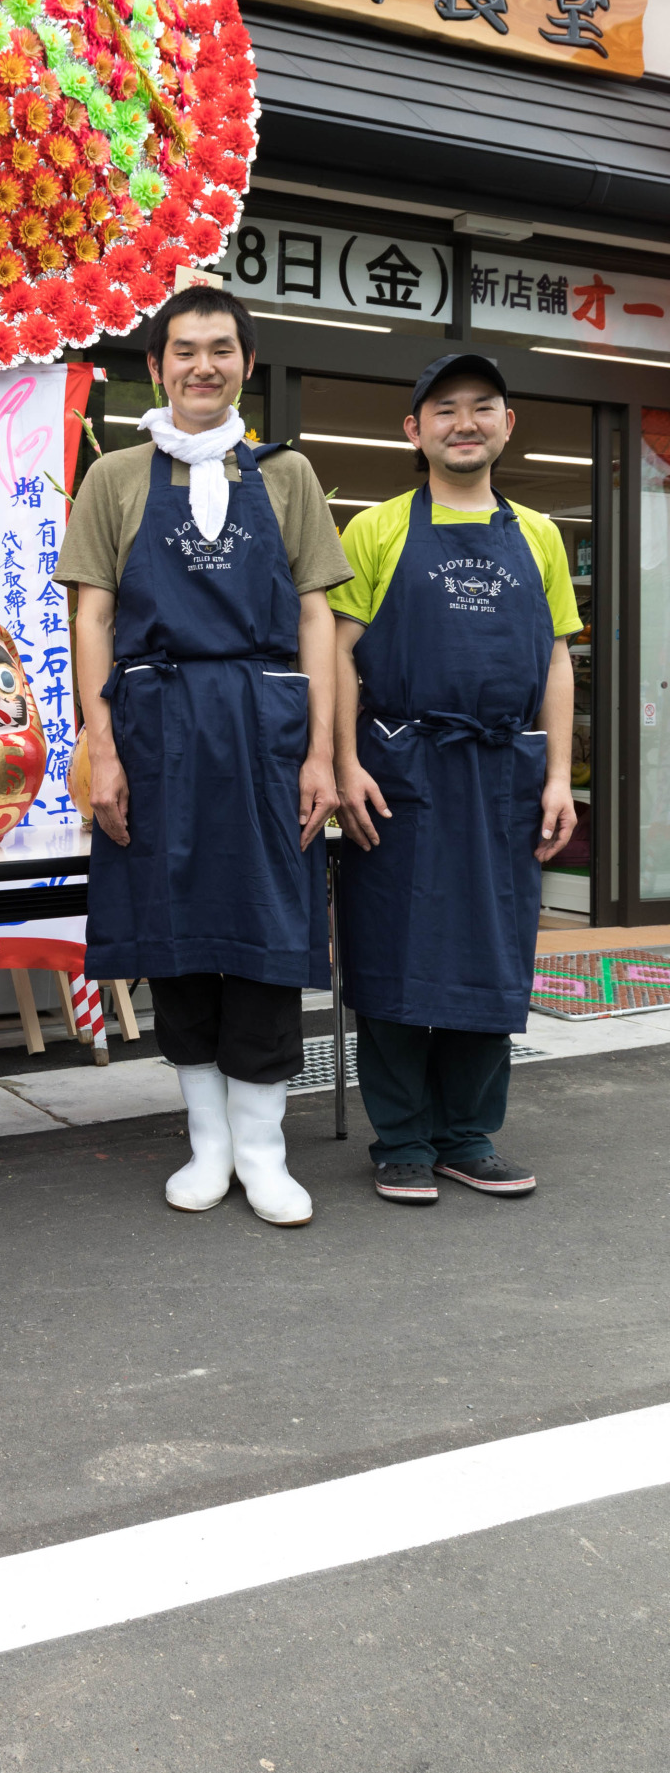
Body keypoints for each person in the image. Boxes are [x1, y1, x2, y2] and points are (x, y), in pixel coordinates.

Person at [55, 283, 351, 1226]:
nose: (202, 366)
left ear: (246, 365)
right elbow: (92, 616)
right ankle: (207, 1144)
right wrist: (101, 747)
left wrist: (319, 751)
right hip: (156, 726)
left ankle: (263, 1150)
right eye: (184, 350)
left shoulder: (289, 476)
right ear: (156, 366)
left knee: (267, 930)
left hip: (265, 727)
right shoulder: (115, 477)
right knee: (172, 929)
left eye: (221, 349)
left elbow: (316, 617)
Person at [329, 352, 579, 1205]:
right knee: (392, 950)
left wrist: (557, 774)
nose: (463, 422)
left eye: (481, 407)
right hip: (399, 767)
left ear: (508, 425)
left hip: (503, 772)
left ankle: (467, 1136)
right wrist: (344, 762)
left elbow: (556, 657)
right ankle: (401, 1138)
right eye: (444, 409)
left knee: (493, 950)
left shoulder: (539, 534)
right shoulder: (375, 529)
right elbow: (336, 652)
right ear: (414, 430)